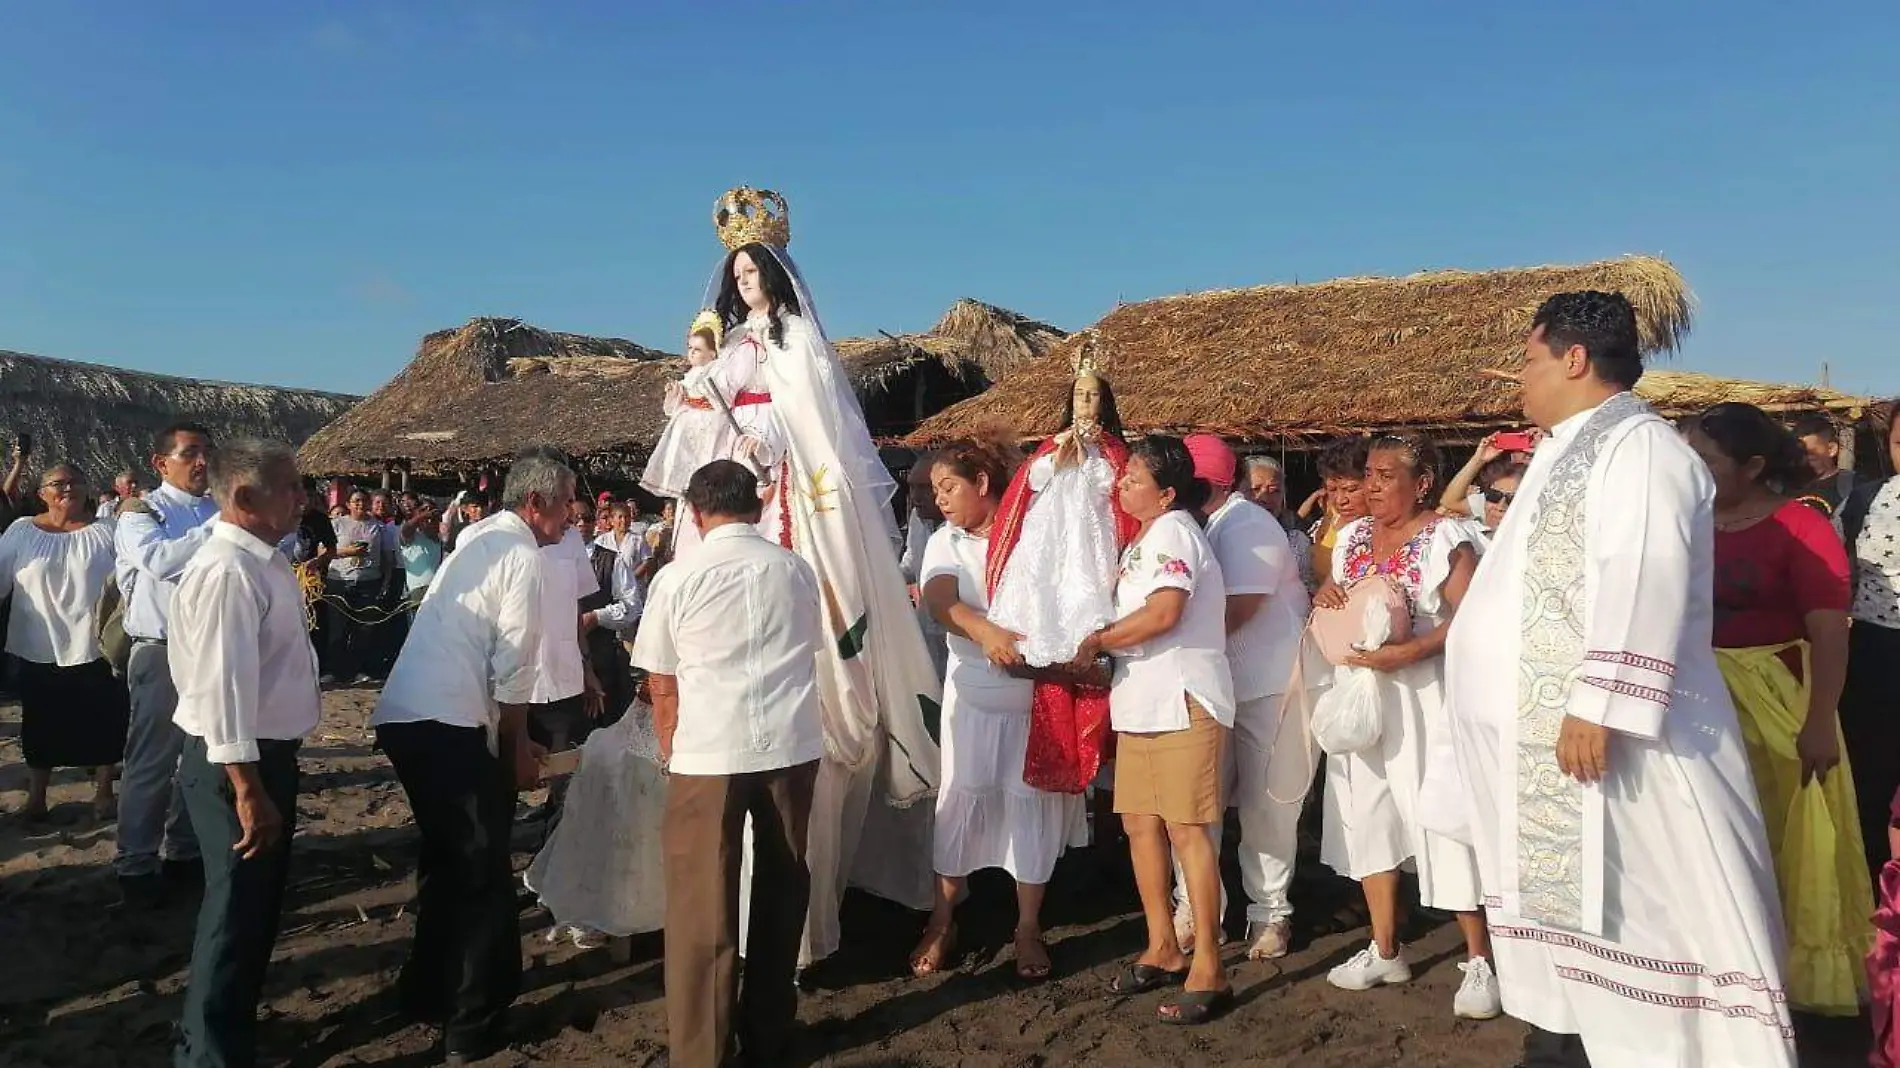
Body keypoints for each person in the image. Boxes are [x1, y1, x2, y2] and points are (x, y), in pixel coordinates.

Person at [1443, 291, 1796, 1067]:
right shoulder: (1566, 447)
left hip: (1620, 741)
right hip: (1553, 744)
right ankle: (1574, 1031)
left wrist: (1599, 703)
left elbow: (1646, 571)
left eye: (1530, 361)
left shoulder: (1640, 448)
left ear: (1574, 359)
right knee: (1585, 916)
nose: (1521, 381)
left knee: (1650, 902)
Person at [691, 187, 942, 964]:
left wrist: (778, 451)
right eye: (734, 276)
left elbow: (822, 427)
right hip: (741, 489)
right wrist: (701, 388)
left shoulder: (799, 341)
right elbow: (706, 422)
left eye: (752, 272)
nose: (744, 285)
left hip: (801, 490)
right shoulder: (731, 347)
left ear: (774, 272)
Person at [370, 452, 570, 1065]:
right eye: (564, 503)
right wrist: (516, 746)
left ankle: (426, 989)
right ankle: (472, 1020)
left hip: (409, 714)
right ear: (536, 504)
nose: (569, 516)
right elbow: (512, 665)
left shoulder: (475, 538)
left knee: (446, 859)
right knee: (483, 874)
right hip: (448, 720)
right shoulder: (522, 555)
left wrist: (515, 736)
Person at [634, 460, 825, 1068]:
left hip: (709, 748)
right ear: (758, 504)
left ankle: (701, 1052)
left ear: (695, 511)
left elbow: (661, 679)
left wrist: (669, 743)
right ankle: (769, 1035)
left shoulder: (678, 576)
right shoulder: (796, 571)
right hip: (790, 745)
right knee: (782, 885)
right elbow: (806, 649)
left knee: (700, 904)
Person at [1682, 402, 1871, 1015]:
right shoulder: (1686, 522)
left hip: (1779, 702)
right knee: (1713, 839)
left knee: (1784, 838)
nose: (1693, 469)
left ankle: (1788, 982)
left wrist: (1820, 722)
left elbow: (1831, 633)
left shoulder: (1802, 525)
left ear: (1754, 464)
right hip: (1702, 703)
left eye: (1706, 460)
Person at [1310, 433, 1498, 1018]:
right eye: (1368, 473)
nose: (1371, 486)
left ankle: (1480, 959)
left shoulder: (1446, 537)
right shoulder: (1354, 539)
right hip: (1364, 696)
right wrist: (1327, 591)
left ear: (1421, 485)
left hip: (1425, 698)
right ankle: (1386, 947)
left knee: (1439, 817)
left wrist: (1411, 652)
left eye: (1385, 475)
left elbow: (1472, 619)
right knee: (1369, 815)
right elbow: (1337, 602)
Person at [906, 439, 1089, 980]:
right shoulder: (947, 540)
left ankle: (1028, 925)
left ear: (983, 483)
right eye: (935, 489)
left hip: (1034, 691)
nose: (939, 499)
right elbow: (940, 598)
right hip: (973, 696)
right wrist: (985, 631)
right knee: (960, 799)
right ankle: (943, 919)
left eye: (948, 487)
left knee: (1027, 801)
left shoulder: (1033, 533)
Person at [167, 440, 320, 1068]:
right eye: (291, 488)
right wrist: (247, 787)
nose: (303, 499)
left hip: (261, 756)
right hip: (238, 761)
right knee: (233, 914)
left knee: (255, 909)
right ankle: (207, 1053)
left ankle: (231, 1033)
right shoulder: (228, 571)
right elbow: (222, 689)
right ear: (246, 498)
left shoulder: (262, 560)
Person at [1073, 435, 1234, 1024]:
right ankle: (1162, 944)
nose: (1123, 484)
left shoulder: (1174, 532)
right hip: (1141, 700)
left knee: (1188, 829)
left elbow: (1166, 612)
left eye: (1134, 477)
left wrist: (1095, 642)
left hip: (1183, 697)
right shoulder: (1139, 540)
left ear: (1166, 492)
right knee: (1141, 824)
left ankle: (1210, 964)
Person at [1172, 436, 1310, 961]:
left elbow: (1237, 611)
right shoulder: (1199, 526)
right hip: (1216, 686)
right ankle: (1197, 908)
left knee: (1267, 805)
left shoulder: (1247, 524)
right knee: (1194, 804)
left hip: (1265, 686)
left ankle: (1270, 912)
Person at [985, 363, 1139, 796]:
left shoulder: (1113, 451)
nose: (1085, 403)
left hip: (1092, 549)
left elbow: (1115, 491)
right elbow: (1030, 484)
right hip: (1049, 551)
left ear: (1104, 403)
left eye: (1092, 396)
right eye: (1079, 395)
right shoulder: (1050, 447)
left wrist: (1089, 456)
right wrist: (1060, 455)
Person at [114, 421, 219, 907]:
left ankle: (183, 849)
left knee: (199, 757)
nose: (201, 462)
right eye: (189, 453)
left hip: (209, 648)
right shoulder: (141, 512)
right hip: (160, 649)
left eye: (205, 453)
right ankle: (135, 862)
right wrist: (226, 526)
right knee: (152, 760)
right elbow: (159, 561)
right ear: (162, 463)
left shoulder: (217, 508)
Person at [0, 462, 126, 820]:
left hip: (95, 644)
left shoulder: (109, 531)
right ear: (42, 493)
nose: (67, 488)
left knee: (104, 720)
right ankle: (36, 798)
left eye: (76, 481)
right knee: (40, 724)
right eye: (58, 483)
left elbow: (133, 582)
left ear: (88, 489)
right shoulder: (21, 531)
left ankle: (103, 792)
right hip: (37, 645)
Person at [1843, 399, 1900, 875]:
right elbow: (1833, 570)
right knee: (1870, 780)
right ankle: (1872, 894)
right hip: (1874, 654)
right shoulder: (1865, 500)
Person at [640, 311, 735, 501]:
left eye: (697, 349)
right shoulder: (691, 374)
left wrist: (704, 393)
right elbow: (675, 405)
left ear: (713, 352)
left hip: (707, 423)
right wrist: (675, 393)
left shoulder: (715, 371)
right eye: (690, 348)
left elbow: (720, 399)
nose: (691, 352)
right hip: (687, 421)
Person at [326, 490, 389, 685]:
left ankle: (357, 670)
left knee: (364, 628)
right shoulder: (337, 523)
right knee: (337, 627)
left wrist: (385, 582)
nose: (360, 504)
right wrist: (348, 551)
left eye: (364, 501)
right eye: (356, 501)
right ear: (348, 504)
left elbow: (387, 556)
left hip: (368, 580)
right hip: (339, 579)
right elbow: (322, 551)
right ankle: (333, 670)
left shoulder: (377, 527)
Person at [899, 453, 949, 679]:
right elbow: (911, 562)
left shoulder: (966, 530)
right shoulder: (917, 518)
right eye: (912, 487)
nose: (915, 496)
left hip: (959, 634)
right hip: (925, 629)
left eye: (924, 488)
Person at [1241, 454, 1317, 592]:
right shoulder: (1225, 535)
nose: (1264, 498)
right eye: (1255, 489)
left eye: (1274, 491)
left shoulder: (1296, 541)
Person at [1306, 437, 1371, 591]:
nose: (1340, 500)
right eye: (1332, 490)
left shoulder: (1390, 529)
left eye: (1351, 489)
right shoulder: (1326, 524)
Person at [1440, 434, 1532, 536]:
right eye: (1494, 495)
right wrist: (1479, 459)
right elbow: (1448, 501)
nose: (1500, 506)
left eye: (1512, 499)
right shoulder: (1484, 504)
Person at [1793, 413, 1857, 516]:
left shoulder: (1852, 486)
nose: (1803, 458)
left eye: (1810, 452)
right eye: (1799, 452)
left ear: (1831, 449)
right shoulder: (1786, 487)